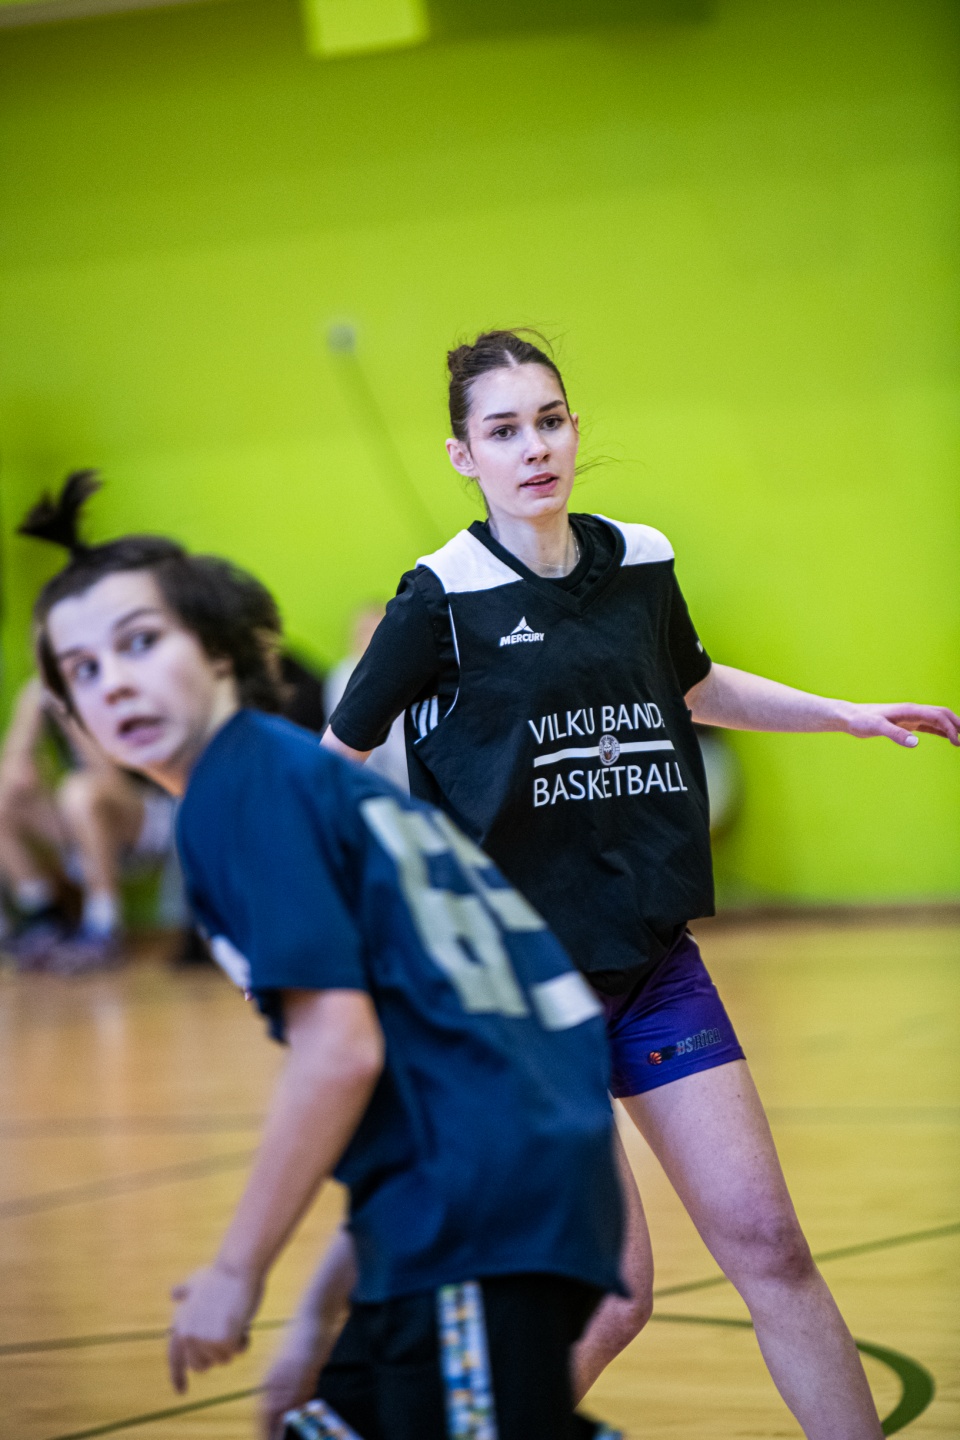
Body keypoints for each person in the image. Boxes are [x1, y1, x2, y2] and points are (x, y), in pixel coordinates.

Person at [313, 329, 960, 1440]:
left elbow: (694, 684)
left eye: (549, 421)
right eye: (503, 431)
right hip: (520, 997)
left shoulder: (642, 560)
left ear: (574, 429)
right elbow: (332, 766)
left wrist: (845, 715)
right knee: (615, 1297)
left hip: (653, 966)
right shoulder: (439, 598)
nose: (534, 447)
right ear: (464, 456)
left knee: (772, 1247)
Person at [29, 481, 625, 1440]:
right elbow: (412, 1075)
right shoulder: (276, 777)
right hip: (473, 1189)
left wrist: (237, 1271)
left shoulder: (246, 794)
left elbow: (340, 1054)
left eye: (140, 643)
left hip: (477, 1211)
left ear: (219, 649)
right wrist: (316, 1313)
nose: (115, 684)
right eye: (83, 670)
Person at [0, 671, 177, 972]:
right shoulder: (42, 696)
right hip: (80, 816)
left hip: (146, 814)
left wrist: (68, 715)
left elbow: (110, 777)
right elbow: (12, 781)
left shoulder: (110, 685)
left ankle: (104, 927)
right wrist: (27, 718)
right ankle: (44, 917)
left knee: (79, 791)